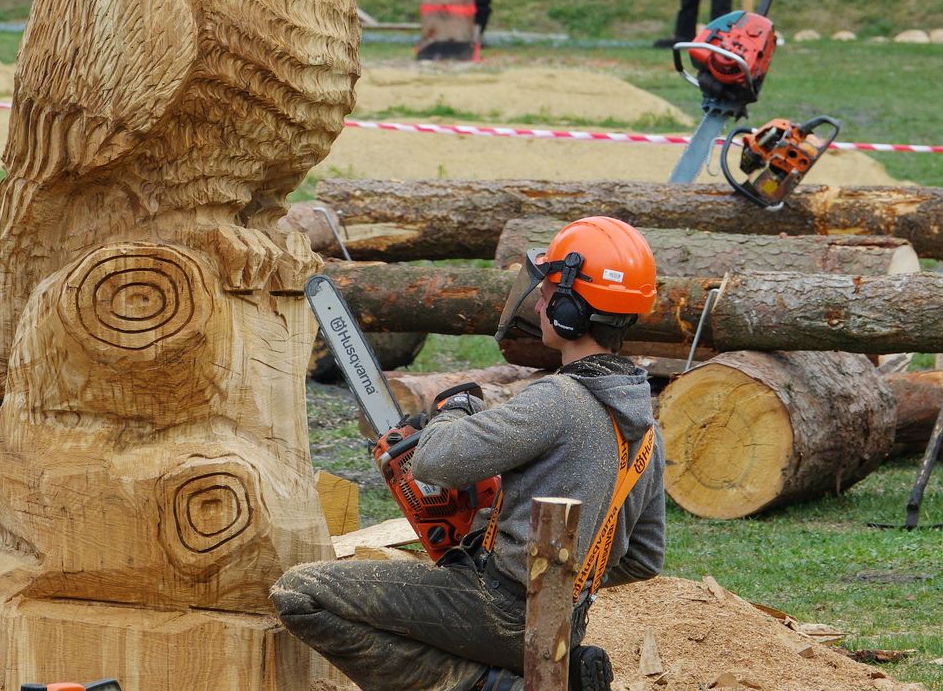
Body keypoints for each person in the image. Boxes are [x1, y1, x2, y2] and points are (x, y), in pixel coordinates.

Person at [272, 216, 666, 691]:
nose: (538, 301)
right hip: (566, 620)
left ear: (569, 311)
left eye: (547, 293)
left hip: (499, 610)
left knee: (301, 594)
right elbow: (644, 557)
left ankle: (487, 686)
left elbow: (435, 460)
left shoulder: (558, 400)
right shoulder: (646, 430)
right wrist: (555, 576)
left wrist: (453, 409)